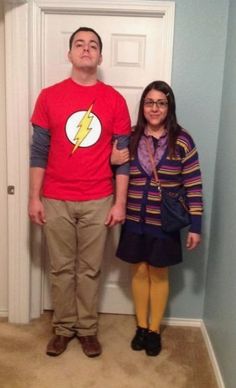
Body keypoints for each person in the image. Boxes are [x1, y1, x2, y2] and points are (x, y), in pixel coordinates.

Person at [28, 27, 131, 358]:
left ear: (100, 57)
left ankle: (87, 329)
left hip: (99, 199)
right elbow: (39, 152)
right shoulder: (48, 96)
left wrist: (120, 203)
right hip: (55, 197)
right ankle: (62, 328)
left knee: (89, 269)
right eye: (79, 44)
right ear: (70, 54)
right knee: (60, 268)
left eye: (93, 46)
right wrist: (34, 197)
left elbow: (124, 160)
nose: (86, 50)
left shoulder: (114, 100)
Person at [115, 80, 203, 357]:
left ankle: (154, 330)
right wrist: (112, 159)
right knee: (139, 272)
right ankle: (141, 327)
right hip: (133, 220)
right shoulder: (129, 136)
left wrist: (196, 226)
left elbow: (193, 184)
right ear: (143, 106)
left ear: (169, 107)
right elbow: (116, 172)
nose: (154, 108)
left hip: (164, 223)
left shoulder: (183, 140)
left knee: (159, 273)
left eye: (161, 103)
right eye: (149, 102)